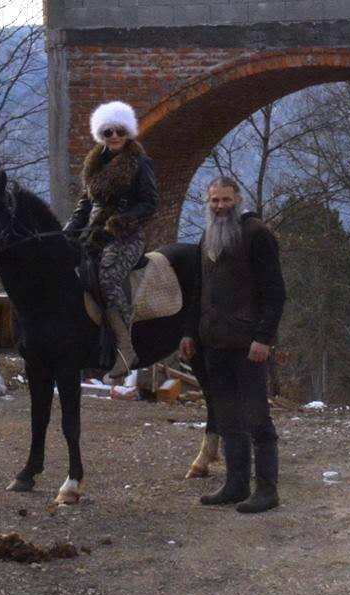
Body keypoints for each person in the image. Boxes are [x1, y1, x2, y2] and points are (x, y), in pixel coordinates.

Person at [180, 177, 286, 513]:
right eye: (214, 200)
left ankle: (267, 490)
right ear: (207, 203)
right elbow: (198, 293)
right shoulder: (207, 238)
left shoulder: (256, 235)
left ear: (238, 200)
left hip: (248, 345)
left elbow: (275, 292)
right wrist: (189, 333)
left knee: (257, 417)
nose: (220, 206)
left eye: (226, 200)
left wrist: (263, 338)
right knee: (227, 419)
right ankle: (236, 485)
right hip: (214, 344)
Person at [64, 100, 158, 378]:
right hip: (93, 234)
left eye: (120, 131)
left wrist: (118, 223)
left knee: (107, 278)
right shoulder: (93, 163)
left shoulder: (140, 163)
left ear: (128, 132)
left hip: (126, 235)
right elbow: (85, 204)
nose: (114, 136)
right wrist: (68, 231)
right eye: (108, 132)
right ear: (101, 135)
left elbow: (149, 203)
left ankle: (126, 348)